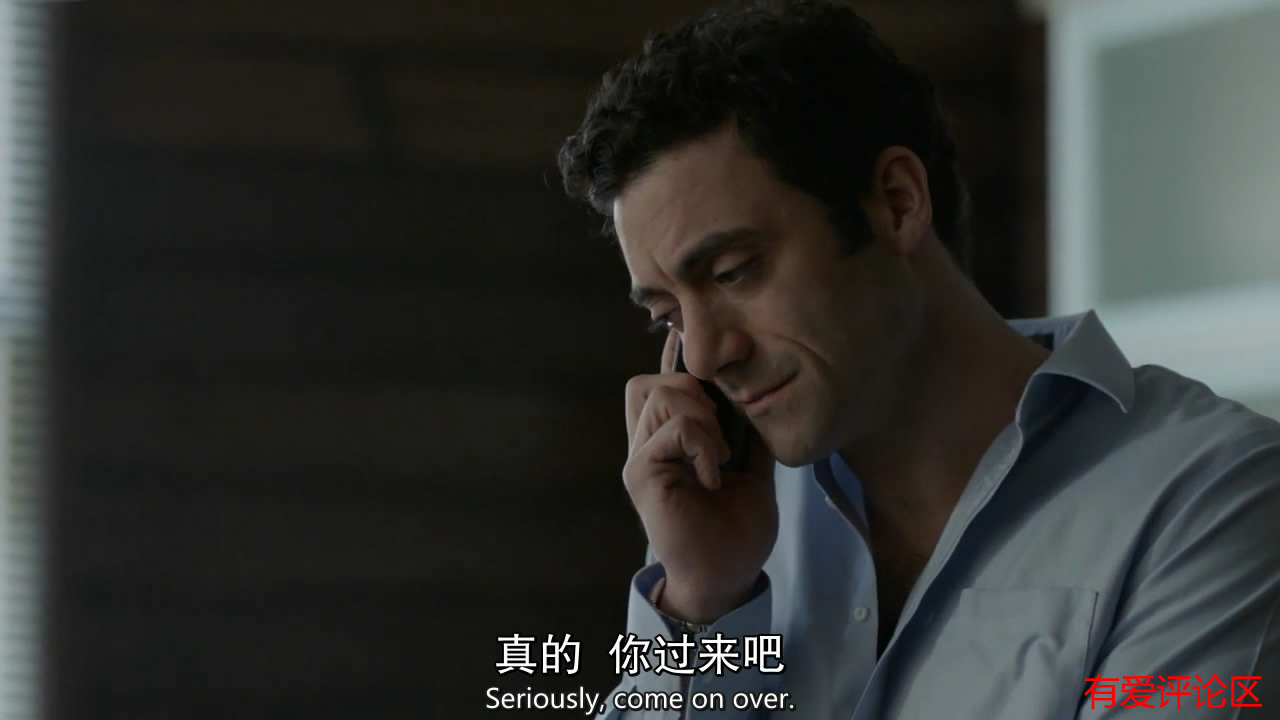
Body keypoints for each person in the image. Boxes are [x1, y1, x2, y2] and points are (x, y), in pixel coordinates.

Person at [555, 1, 1280, 717]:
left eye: (734, 272)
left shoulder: (1211, 498)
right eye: (668, 316)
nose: (708, 353)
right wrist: (698, 603)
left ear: (897, 203)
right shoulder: (727, 528)